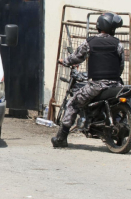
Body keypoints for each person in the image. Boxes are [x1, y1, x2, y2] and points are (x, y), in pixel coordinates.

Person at [52, 13, 124, 148]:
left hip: (96, 85)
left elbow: (76, 58)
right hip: (116, 85)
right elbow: (121, 66)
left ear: (99, 26)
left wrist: (64, 61)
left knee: (73, 103)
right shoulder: (118, 44)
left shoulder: (90, 42)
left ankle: (61, 138)